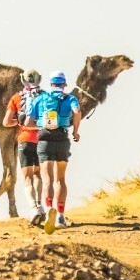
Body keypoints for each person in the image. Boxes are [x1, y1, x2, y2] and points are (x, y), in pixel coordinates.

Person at [26, 70, 81, 233]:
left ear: (50, 84)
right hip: (62, 139)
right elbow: (77, 113)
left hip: (44, 140)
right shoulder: (70, 98)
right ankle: (61, 216)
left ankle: (50, 208)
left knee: (47, 178)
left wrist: (41, 126)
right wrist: (76, 131)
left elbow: (28, 122)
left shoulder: (40, 98)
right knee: (60, 179)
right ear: (64, 84)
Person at [3, 69, 46, 224]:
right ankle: (40, 206)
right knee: (37, 175)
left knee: (27, 177)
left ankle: (32, 207)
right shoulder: (45, 97)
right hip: (41, 140)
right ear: (39, 79)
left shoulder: (16, 98)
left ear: (22, 80)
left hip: (24, 139)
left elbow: (6, 122)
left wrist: (19, 123)